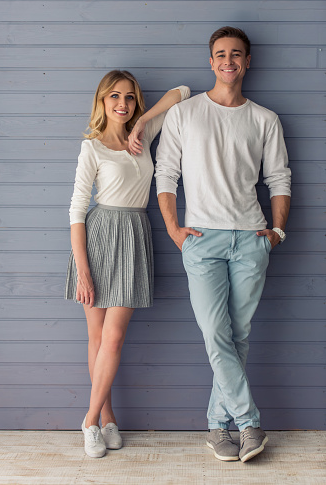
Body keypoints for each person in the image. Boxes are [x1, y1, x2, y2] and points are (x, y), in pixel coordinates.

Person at [155, 27, 291, 463]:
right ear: (210, 62)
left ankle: (218, 427)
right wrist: (175, 229)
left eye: (236, 54)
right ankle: (249, 423)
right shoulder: (185, 113)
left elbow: (279, 179)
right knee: (217, 333)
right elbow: (165, 175)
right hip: (200, 240)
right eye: (220, 54)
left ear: (247, 61)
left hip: (252, 238)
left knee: (239, 335)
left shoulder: (265, 119)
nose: (228, 60)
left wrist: (277, 231)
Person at [65, 70, 190, 458]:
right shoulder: (92, 148)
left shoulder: (144, 134)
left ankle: (89, 420)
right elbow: (76, 211)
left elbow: (182, 93)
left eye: (129, 98)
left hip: (135, 234)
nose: (122, 104)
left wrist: (142, 122)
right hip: (100, 237)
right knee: (98, 338)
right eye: (114, 97)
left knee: (113, 338)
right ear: (102, 101)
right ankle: (105, 419)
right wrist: (83, 270)